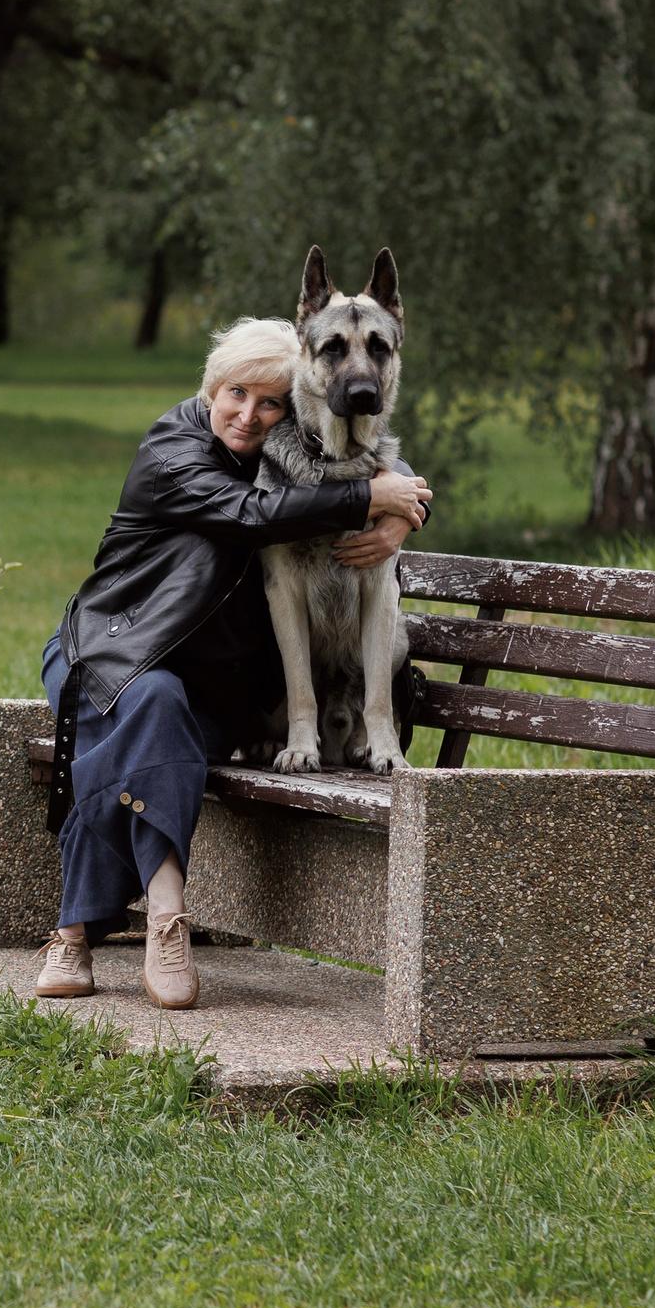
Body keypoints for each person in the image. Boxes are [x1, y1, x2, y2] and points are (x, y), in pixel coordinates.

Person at [34, 319, 433, 1008]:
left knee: (153, 732)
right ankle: (166, 919)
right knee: (153, 704)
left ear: (292, 408)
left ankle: (72, 937)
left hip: (211, 691)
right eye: (236, 394)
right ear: (210, 390)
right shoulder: (174, 448)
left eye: (270, 402)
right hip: (111, 655)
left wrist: (405, 506)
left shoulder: (280, 457)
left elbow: (358, 462)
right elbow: (251, 513)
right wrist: (374, 497)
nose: (249, 415)